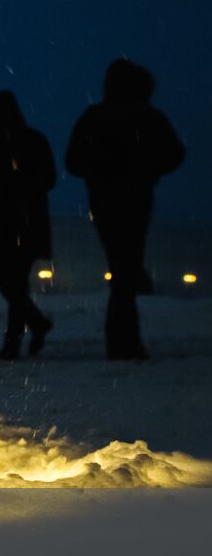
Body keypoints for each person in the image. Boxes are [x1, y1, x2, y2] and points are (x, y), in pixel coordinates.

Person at [66, 59, 185, 359]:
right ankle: (124, 340)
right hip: (136, 199)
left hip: (104, 201)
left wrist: (100, 170)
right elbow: (175, 154)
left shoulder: (95, 117)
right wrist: (146, 169)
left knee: (121, 266)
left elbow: (73, 161)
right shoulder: (148, 117)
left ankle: (122, 340)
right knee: (126, 267)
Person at [0, 90, 56, 359]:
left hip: (5, 221)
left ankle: (13, 341)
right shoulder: (33, 140)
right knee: (11, 282)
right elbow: (49, 179)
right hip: (22, 221)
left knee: (11, 282)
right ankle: (35, 325)